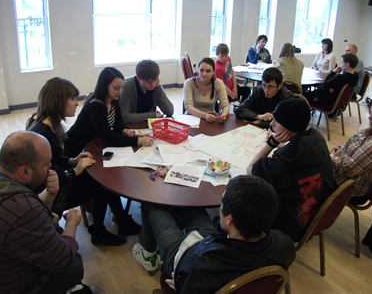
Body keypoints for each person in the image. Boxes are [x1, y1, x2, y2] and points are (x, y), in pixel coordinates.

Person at [132, 175, 295, 293]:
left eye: (222, 204)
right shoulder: (284, 244)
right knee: (187, 201)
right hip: (216, 246)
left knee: (151, 203)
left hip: (184, 259)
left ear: (230, 219)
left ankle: (148, 256)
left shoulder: (205, 266)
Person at [31, 77, 141, 247]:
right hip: (51, 194)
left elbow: (53, 158)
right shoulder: (43, 136)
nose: (76, 103)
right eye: (72, 99)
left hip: (57, 178)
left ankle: (117, 222)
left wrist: (71, 160)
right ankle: (101, 232)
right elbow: (45, 178)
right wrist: (74, 171)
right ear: (58, 102)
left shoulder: (50, 127)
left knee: (101, 175)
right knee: (101, 182)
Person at [0, 131, 85, 293]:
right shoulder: (20, 208)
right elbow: (62, 258)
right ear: (25, 172)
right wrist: (71, 224)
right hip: (8, 285)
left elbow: (31, 216)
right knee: (74, 264)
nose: (50, 167)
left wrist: (51, 193)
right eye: (46, 164)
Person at [247, 99, 335, 241]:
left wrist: (272, 143)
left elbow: (251, 168)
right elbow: (296, 159)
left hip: (290, 226)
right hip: (314, 215)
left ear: (289, 125)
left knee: (247, 194)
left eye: (277, 120)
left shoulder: (287, 158)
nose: (271, 124)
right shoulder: (315, 137)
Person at [64, 67, 154, 157]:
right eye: (116, 88)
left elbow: (118, 121)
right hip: (76, 147)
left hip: (93, 142)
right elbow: (108, 137)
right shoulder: (96, 106)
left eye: (121, 87)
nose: (120, 91)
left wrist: (123, 129)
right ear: (104, 86)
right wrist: (138, 141)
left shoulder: (113, 99)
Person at [330, 100, 372, 254]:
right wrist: (338, 151)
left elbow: (348, 169)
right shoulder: (370, 132)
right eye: (371, 112)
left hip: (349, 186)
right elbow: (348, 148)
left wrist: (332, 157)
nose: (369, 117)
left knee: (304, 167)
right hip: (343, 175)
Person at [119, 59, 174, 123]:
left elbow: (170, 111)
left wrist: (158, 89)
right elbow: (124, 117)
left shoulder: (156, 86)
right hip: (132, 126)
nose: (153, 85)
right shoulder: (127, 86)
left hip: (149, 125)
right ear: (138, 78)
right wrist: (153, 114)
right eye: (149, 82)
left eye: (156, 80)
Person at [183, 57, 230, 123]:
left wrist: (223, 115)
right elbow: (188, 107)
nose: (204, 74)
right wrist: (205, 116)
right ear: (198, 70)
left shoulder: (218, 83)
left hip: (211, 118)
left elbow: (225, 105)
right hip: (191, 118)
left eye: (208, 71)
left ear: (214, 72)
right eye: (201, 70)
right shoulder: (189, 83)